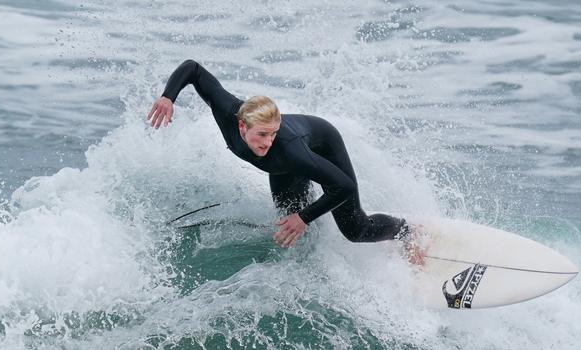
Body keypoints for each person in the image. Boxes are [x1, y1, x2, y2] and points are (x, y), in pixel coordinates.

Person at [147, 59, 410, 249]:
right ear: (242, 125)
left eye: (273, 133)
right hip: (284, 168)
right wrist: (168, 97)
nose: (268, 142)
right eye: (261, 134)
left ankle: (407, 232)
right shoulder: (227, 111)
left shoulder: (289, 149)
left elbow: (342, 185)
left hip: (323, 144)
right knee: (291, 229)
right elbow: (193, 69)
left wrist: (304, 217)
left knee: (356, 229)